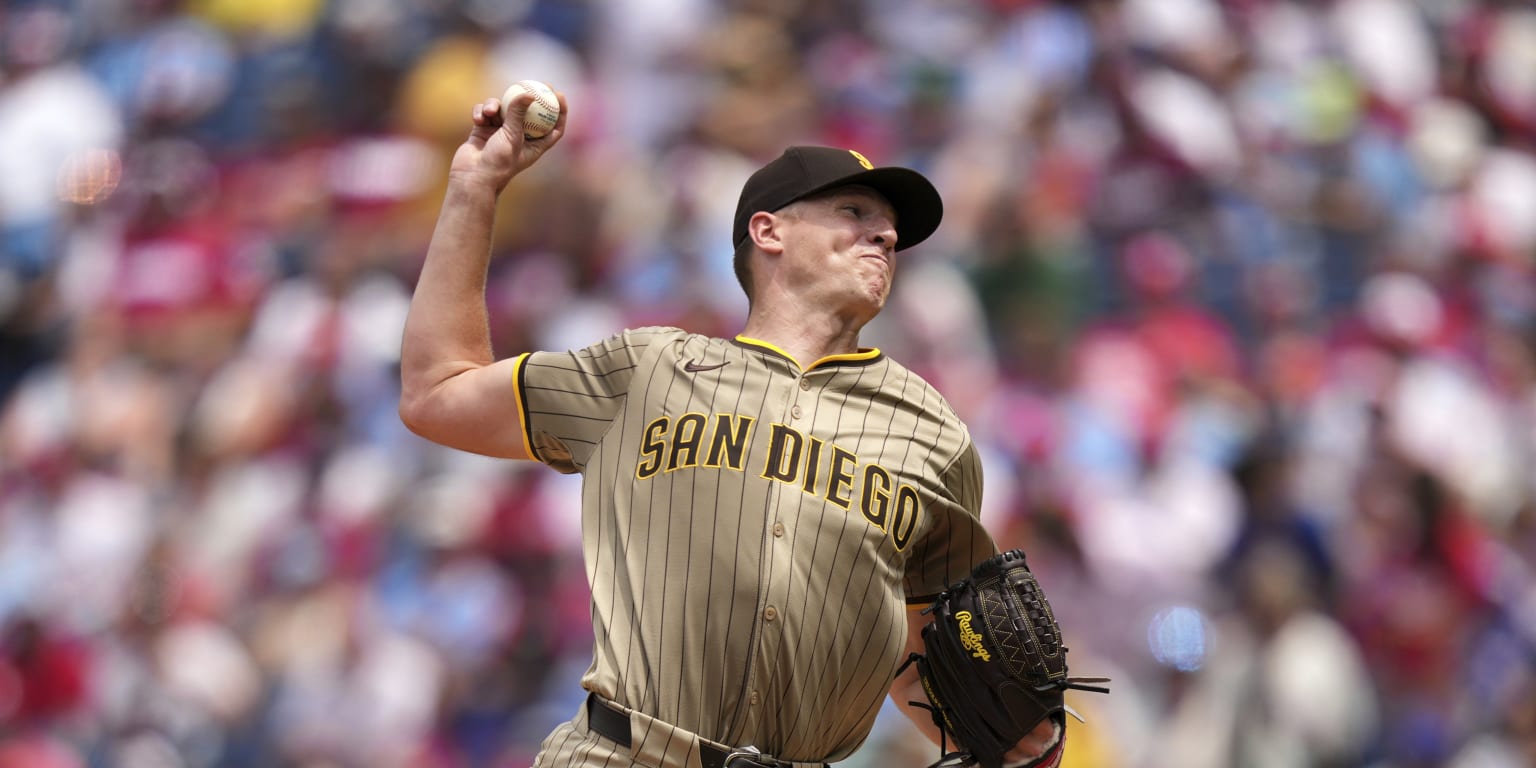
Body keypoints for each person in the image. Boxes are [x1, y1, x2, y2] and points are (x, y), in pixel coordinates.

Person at [398, 90, 1066, 768]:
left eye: (890, 227)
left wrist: (1020, 741)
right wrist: (476, 185)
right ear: (769, 231)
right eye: (854, 213)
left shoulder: (934, 437)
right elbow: (437, 392)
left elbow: (925, 662)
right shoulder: (646, 368)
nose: (887, 235)